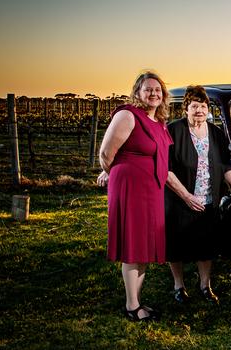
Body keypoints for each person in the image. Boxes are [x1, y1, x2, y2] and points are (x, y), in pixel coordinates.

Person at [97, 71, 173, 321]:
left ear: (163, 95)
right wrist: (117, 174)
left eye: (157, 89)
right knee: (133, 245)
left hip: (152, 191)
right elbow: (106, 154)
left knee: (144, 246)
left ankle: (137, 301)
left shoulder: (158, 121)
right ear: (138, 92)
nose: (153, 93)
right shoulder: (128, 115)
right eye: (148, 89)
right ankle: (132, 306)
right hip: (131, 189)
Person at [165, 85, 231, 304]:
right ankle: (179, 286)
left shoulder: (216, 133)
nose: (200, 111)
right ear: (186, 108)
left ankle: (205, 286)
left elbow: (225, 165)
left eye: (203, 106)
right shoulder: (173, 130)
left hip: (208, 198)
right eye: (194, 106)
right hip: (179, 198)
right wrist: (186, 196)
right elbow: (166, 170)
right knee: (177, 244)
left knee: (207, 245)